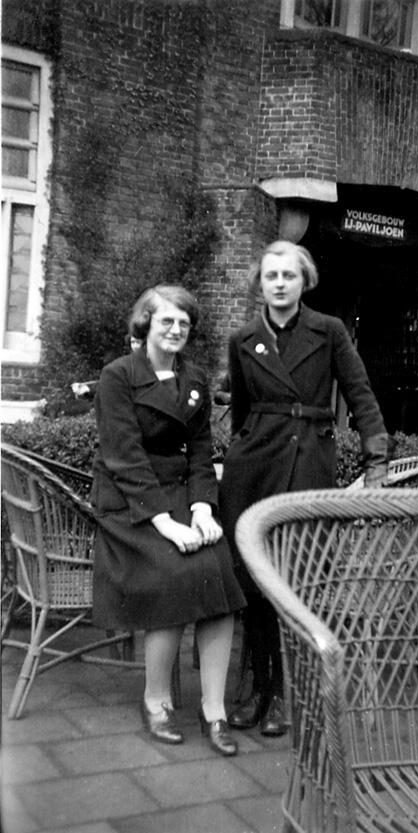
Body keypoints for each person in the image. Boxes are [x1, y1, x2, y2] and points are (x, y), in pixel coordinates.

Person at [219, 240, 388, 737]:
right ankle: (257, 687)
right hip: (253, 466)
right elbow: (244, 411)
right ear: (260, 283)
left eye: (288, 275)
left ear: (303, 281)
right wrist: (240, 456)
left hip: (306, 460)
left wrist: (376, 461)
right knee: (252, 578)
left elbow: (360, 395)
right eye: (270, 275)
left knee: (295, 577)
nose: (278, 283)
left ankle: (285, 697)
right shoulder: (243, 338)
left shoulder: (329, 331)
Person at [91, 284, 245, 755]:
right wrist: (166, 523)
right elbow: (125, 459)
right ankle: (155, 699)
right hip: (129, 505)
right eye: (166, 321)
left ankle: (213, 710)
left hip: (181, 499)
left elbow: (200, 453)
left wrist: (202, 508)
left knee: (218, 569)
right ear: (146, 324)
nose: (176, 330)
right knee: (177, 572)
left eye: (183, 323)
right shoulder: (118, 376)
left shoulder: (193, 380)